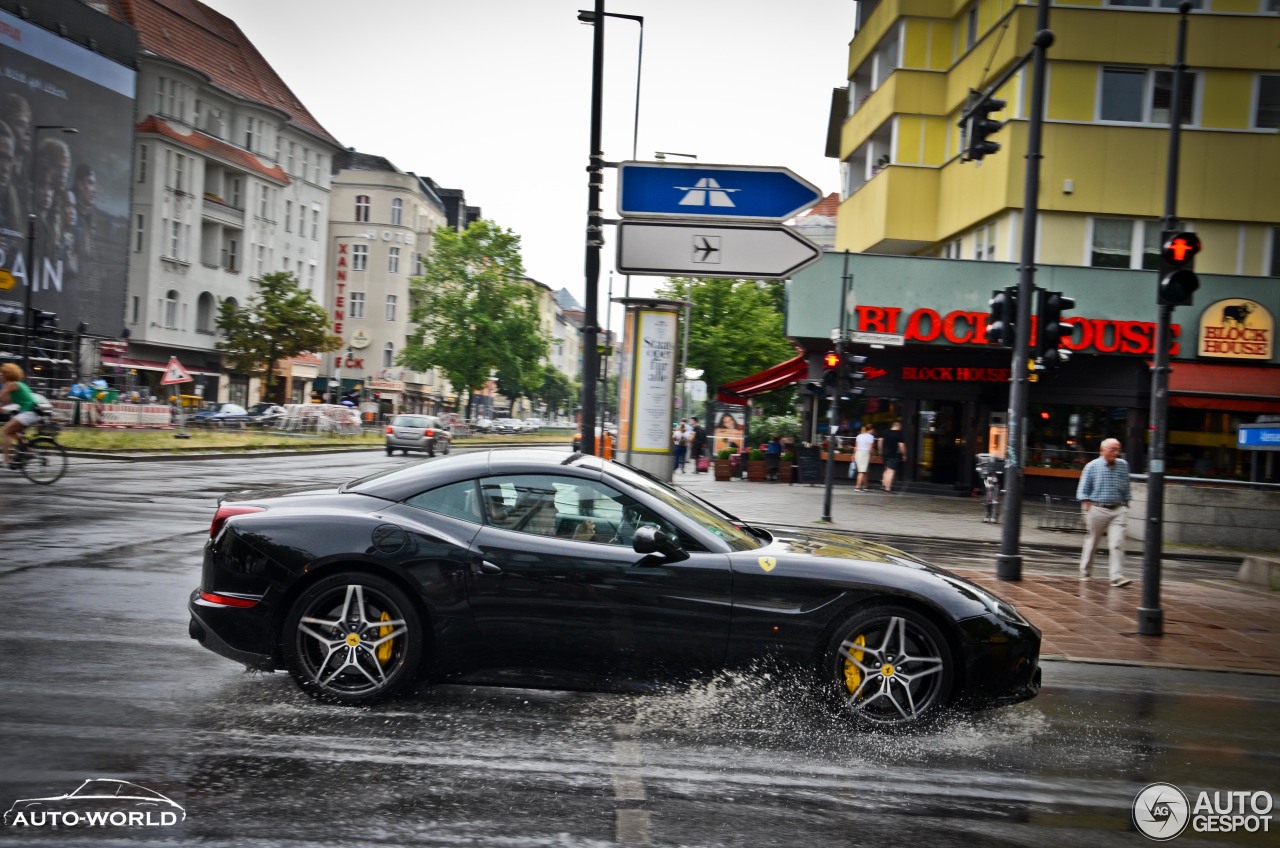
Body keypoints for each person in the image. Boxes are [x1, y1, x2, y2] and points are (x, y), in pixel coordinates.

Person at [1076, 438, 1133, 587]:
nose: (1116, 452)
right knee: (1092, 541)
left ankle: (1116, 577)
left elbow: (1126, 487)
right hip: (1097, 508)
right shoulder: (1092, 466)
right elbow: (1083, 490)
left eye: (1118, 449)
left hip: (1118, 509)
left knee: (1117, 543)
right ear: (1102, 450)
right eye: (1112, 449)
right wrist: (1088, 506)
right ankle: (1085, 571)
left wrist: (1126, 504)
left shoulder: (1123, 466)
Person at [1, 363, 40, 470]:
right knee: (14, 432)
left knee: (5, 432)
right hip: (33, 412)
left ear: (7, 375)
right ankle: (29, 451)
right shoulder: (18, 384)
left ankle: (6, 460)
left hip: (29, 412)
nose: (0, 376)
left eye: (2, 374)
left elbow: (1, 397)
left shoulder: (10, 384)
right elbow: (6, 401)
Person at [878, 420, 907, 494]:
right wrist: (904, 454)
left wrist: (881, 451)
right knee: (891, 471)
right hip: (893, 454)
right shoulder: (898, 434)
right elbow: (901, 446)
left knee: (886, 470)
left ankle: (883, 485)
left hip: (885, 454)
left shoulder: (885, 431)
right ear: (898, 427)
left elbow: (880, 441)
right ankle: (888, 488)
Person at [853, 424, 877, 492]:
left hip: (858, 453)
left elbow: (856, 446)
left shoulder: (859, 436)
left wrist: (853, 455)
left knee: (864, 471)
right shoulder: (870, 437)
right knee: (862, 471)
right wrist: (873, 454)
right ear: (871, 429)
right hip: (865, 453)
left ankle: (865, 486)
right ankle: (857, 487)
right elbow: (870, 448)